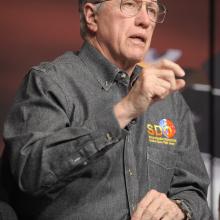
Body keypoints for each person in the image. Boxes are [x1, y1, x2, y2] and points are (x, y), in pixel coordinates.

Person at [3, 0, 210, 219]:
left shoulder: (170, 101)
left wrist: (179, 209)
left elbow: (194, 192)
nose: (145, 20)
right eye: (130, 4)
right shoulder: (49, 83)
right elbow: (30, 173)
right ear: (92, 17)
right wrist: (125, 110)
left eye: (151, 9)